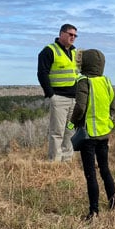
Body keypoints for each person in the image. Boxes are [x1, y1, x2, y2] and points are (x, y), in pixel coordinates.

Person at [69, 49, 115, 221]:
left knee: (90, 174)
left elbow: (80, 107)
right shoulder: (106, 81)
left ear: (86, 63)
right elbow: (112, 104)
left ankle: (94, 212)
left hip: (88, 135)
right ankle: (113, 203)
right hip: (104, 133)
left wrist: (71, 123)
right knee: (105, 169)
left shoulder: (83, 81)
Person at [37, 24, 80, 162]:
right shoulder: (49, 51)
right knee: (57, 132)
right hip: (59, 99)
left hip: (74, 99)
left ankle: (67, 160)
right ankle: (54, 162)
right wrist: (51, 95)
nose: (73, 37)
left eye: (75, 35)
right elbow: (42, 73)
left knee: (70, 130)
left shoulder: (75, 52)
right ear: (61, 34)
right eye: (70, 34)